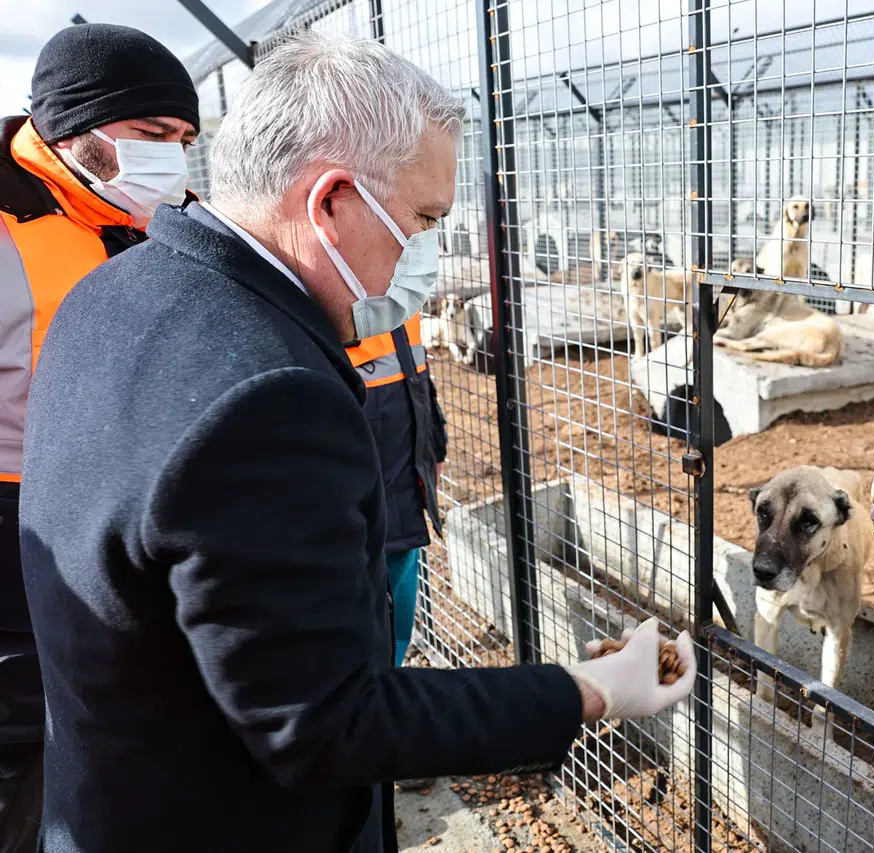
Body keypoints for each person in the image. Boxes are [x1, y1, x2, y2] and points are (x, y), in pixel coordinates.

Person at [18, 30, 695, 853]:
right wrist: (586, 689)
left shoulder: (113, 290)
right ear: (331, 201)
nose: (426, 254)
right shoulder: (267, 400)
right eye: (423, 218)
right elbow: (327, 722)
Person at [0, 23, 199, 852]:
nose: (174, 161)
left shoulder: (153, 219)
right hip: (17, 539)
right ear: (77, 129)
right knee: (21, 750)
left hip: (132, 526)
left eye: (185, 140)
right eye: (153, 137)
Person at [346, 317, 445, 667]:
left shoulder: (400, 297)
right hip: (357, 508)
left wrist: (436, 447)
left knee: (396, 625)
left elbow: (418, 379)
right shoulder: (326, 296)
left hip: (404, 493)